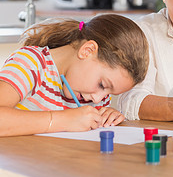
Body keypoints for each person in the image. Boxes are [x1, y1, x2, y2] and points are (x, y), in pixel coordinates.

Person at [0, 14, 149, 136]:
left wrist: (104, 117)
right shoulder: (30, 64)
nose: (98, 98)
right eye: (102, 85)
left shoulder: (89, 96)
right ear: (87, 50)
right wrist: (62, 120)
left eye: (109, 94)